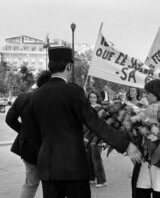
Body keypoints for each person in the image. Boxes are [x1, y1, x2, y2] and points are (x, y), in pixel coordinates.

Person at [29, 46, 142, 198]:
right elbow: (94, 122)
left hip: (47, 168)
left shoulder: (36, 95)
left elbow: (32, 132)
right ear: (69, 66)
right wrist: (126, 145)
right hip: (73, 166)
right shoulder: (73, 91)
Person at [5, 70, 51, 198]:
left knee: (30, 183)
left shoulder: (23, 97)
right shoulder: (51, 98)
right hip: (48, 147)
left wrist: (24, 131)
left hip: (28, 148)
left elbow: (9, 119)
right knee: (51, 184)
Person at [85, 91, 107, 188]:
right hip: (87, 136)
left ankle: (102, 180)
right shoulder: (85, 108)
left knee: (96, 158)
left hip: (97, 136)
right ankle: (92, 178)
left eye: (94, 97)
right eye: (90, 97)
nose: (92, 99)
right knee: (89, 158)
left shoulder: (101, 108)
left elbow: (103, 123)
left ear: (97, 98)